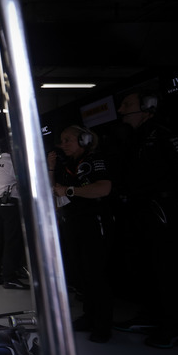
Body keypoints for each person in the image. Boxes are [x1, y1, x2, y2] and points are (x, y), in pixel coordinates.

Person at [106, 90, 178, 348]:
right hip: (140, 210)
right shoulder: (135, 137)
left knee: (165, 269)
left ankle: (171, 328)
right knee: (143, 266)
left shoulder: (166, 132)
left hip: (163, 209)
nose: (121, 110)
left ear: (148, 106)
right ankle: (150, 317)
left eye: (127, 103)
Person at [48, 125, 115, 343]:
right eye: (61, 140)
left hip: (93, 223)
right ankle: (89, 315)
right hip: (72, 221)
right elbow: (53, 190)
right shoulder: (66, 163)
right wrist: (50, 168)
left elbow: (104, 188)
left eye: (68, 140)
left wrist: (70, 191)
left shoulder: (95, 159)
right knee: (81, 273)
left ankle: (102, 324)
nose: (63, 144)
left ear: (84, 140)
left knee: (96, 273)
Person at [0, 147, 29, 290]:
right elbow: (22, 181)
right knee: (12, 240)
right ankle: (10, 277)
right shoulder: (13, 164)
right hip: (10, 204)